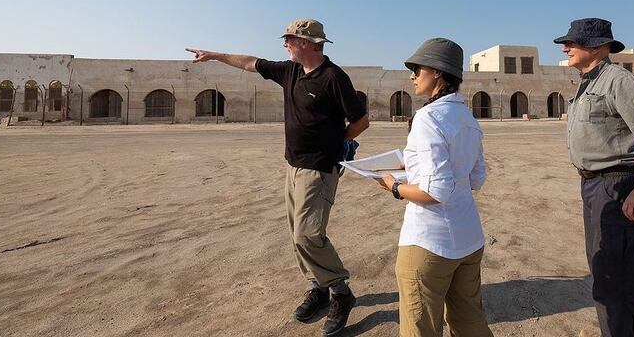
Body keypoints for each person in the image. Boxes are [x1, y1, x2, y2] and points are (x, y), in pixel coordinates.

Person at [186, 18, 369, 336]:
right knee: (295, 234)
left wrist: (339, 143)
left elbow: (361, 121)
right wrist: (214, 55)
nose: (285, 43)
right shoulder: (290, 70)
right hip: (293, 165)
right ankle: (318, 288)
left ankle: (341, 292)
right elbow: (248, 63)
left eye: (290, 39)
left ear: (309, 44)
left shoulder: (334, 77)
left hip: (320, 168)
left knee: (308, 234)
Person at [554, 18, 634, 337]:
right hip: (595, 187)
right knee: (605, 276)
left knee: (617, 284)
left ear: (597, 46)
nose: (565, 48)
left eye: (573, 43)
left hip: (618, 188)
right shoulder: (590, 82)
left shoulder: (616, 80)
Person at [377, 38, 494, 337]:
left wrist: (394, 187)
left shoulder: (428, 118)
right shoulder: (466, 116)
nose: (412, 75)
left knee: (420, 328)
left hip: (430, 243)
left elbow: (435, 192)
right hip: (469, 238)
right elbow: (476, 177)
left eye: (417, 68)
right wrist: (414, 166)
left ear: (438, 73)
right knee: (470, 323)